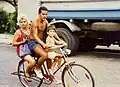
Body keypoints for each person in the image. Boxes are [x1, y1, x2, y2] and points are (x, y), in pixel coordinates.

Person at [27, 6, 52, 78]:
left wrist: (59, 41)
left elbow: (51, 32)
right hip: (33, 42)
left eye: (46, 14)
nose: (45, 16)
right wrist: (43, 44)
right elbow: (35, 36)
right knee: (45, 55)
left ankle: (50, 73)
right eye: (43, 14)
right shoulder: (35, 22)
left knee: (50, 55)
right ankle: (37, 67)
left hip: (40, 42)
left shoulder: (46, 22)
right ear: (39, 14)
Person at [12, 15, 36, 82]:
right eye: (21, 22)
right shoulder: (18, 32)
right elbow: (13, 43)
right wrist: (22, 42)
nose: (23, 23)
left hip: (31, 48)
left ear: (27, 22)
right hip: (23, 50)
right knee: (32, 61)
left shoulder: (29, 30)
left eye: (24, 21)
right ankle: (27, 72)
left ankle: (36, 70)